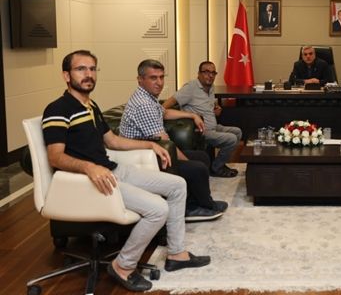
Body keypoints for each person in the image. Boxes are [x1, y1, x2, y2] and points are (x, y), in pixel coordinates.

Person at [42, 50, 210, 292]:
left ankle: (176, 254)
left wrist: (150, 145)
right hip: (88, 182)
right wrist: (89, 167)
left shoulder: (90, 106)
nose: (88, 74)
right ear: (66, 75)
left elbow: (113, 141)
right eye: (81, 69)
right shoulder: (58, 109)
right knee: (158, 209)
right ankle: (123, 265)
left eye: (92, 69)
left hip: (112, 170)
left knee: (177, 185)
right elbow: (55, 157)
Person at [119, 59, 228, 221]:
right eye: (153, 78)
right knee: (196, 167)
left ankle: (198, 202)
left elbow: (165, 113)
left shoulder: (148, 97)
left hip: (154, 153)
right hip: (143, 161)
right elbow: (165, 143)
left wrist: (192, 115)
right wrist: (186, 161)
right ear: (140, 79)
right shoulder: (143, 104)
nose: (159, 83)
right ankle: (191, 209)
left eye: (161, 77)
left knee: (202, 157)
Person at [163, 61, 242, 178]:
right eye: (206, 72)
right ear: (199, 74)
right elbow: (166, 105)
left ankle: (217, 163)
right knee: (231, 139)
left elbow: (209, 105)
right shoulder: (190, 88)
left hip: (213, 126)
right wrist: (190, 115)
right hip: (200, 130)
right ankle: (217, 168)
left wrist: (216, 109)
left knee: (237, 132)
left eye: (213, 73)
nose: (210, 75)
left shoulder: (211, 87)